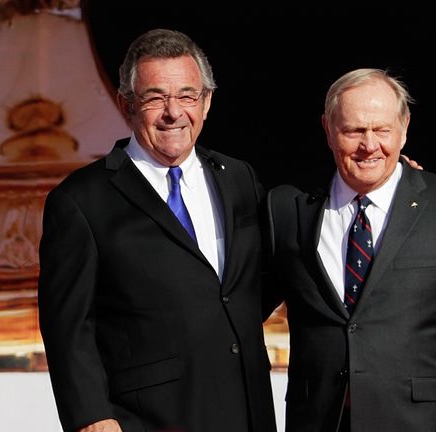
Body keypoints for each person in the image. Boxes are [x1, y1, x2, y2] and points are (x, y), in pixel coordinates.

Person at [38, 29, 276, 432]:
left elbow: (265, 275)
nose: (173, 112)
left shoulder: (238, 177)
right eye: (155, 98)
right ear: (127, 105)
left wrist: (393, 188)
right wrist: (92, 417)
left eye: (187, 96)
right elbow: (68, 326)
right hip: (146, 418)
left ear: (207, 102)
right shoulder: (81, 200)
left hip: (245, 409)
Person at [264, 69, 436, 432]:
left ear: (404, 127)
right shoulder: (287, 208)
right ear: (327, 128)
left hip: (420, 423)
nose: (370, 145)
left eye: (382, 130)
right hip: (318, 421)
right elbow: (240, 303)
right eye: (354, 131)